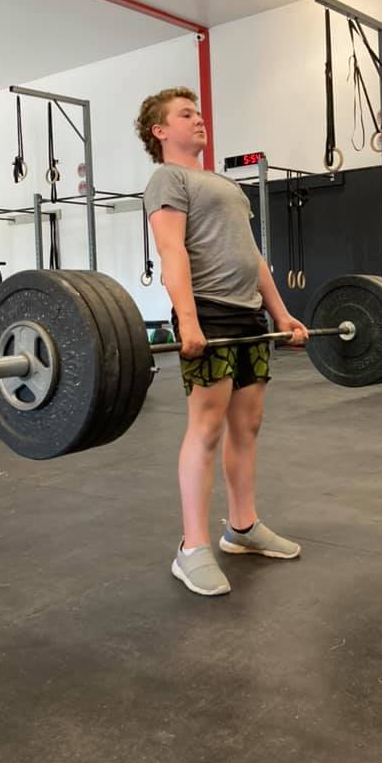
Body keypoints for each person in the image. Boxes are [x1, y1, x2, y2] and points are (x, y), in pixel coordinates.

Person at [137, 87, 308, 597]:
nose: (199, 120)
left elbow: (252, 256)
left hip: (249, 315)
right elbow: (172, 253)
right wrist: (187, 321)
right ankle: (191, 550)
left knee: (247, 425)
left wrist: (282, 313)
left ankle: (242, 527)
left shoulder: (225, 184)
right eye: (186, 115)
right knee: (206, 428)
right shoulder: (167, 178)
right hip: (209, 313)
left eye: (200, 113)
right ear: (160, 131)